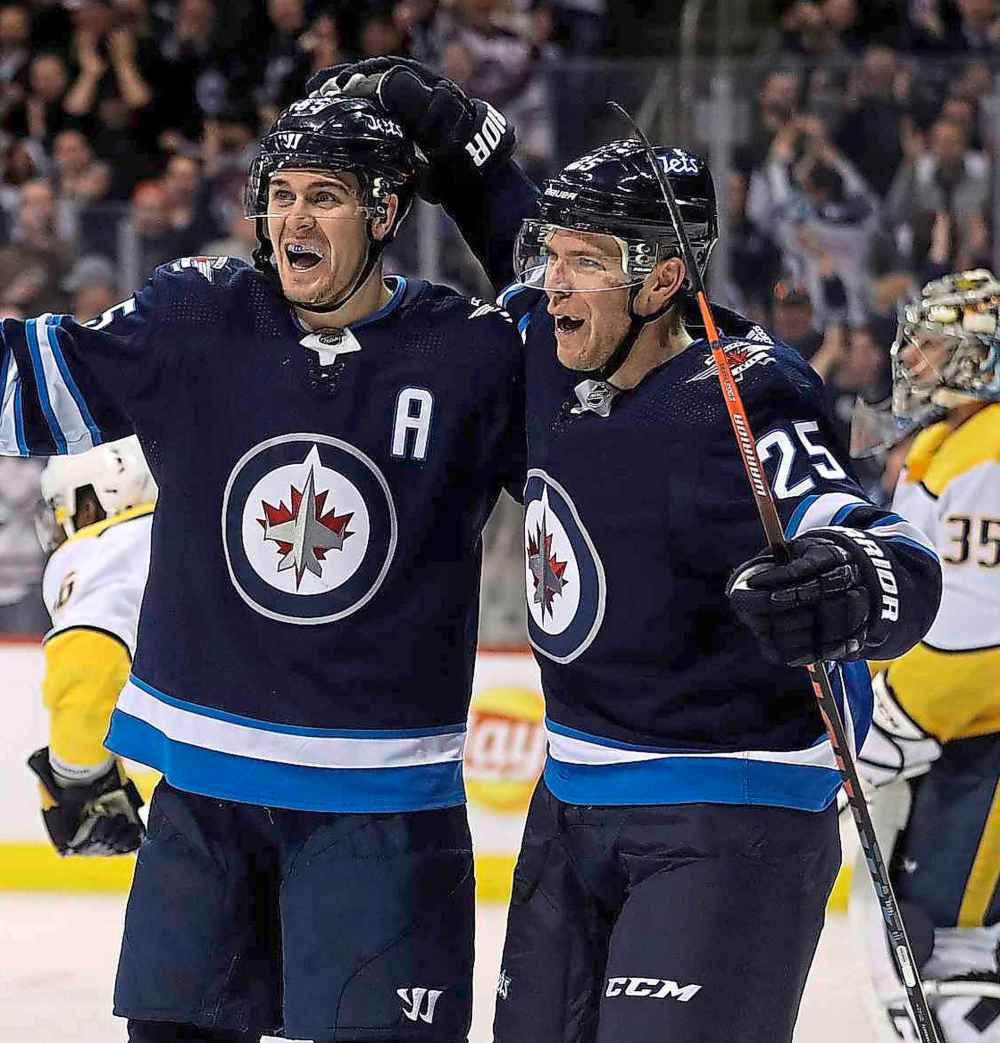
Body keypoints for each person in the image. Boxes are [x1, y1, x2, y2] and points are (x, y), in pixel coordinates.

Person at [316, 57, 944, 1043]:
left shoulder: (744, 394)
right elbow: (506, 227)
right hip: (568, 806)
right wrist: (452, 137)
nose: (550, 281)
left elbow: (864, 531)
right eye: (553, 255)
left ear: (660, 277)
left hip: (726, 814)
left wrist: (857, 579)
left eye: (582, 261)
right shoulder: (553, 337)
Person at [0, 90, 524, 1043]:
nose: (293, 219)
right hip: (204, 807)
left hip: (384, 809)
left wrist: (492, 183)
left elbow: (609, 401)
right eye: (279, 195)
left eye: (323, 195)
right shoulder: (199, 315)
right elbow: (23, 387)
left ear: (385, 210)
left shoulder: (470, 352)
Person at [850, 268, 1000, 1043]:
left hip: (971, 738)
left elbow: (979, 625)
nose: (912, 362)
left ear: (979, 356)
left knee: (951, 957)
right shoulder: (948, 442)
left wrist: (898, 711)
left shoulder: (987, 453)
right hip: (954, 741)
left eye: (934, 348)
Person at [28, 436, 156, 857]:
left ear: (90, 504)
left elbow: (88, 658)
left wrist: (80, 778)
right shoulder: (201, 530)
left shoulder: (110, 547)